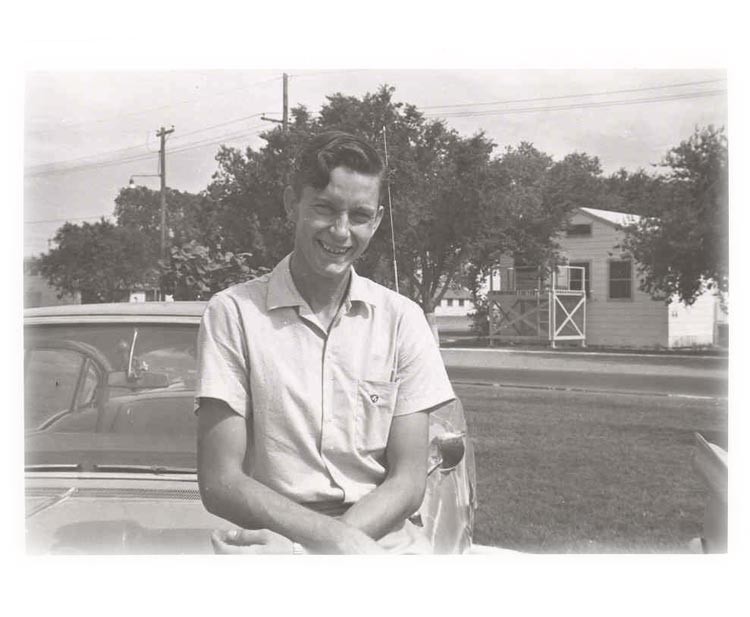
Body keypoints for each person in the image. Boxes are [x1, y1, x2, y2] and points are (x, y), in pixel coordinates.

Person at [195, 131, 455, 554]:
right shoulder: (233, 313)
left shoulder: (402, 319)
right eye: (325, 208)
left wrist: (330, 550)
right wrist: (329, 544)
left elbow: (408, 482)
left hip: (382, 542)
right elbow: (220, 481)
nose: (341, 231)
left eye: (359, 215)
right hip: (275, 543)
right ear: (291, 203)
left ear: (377, 220)